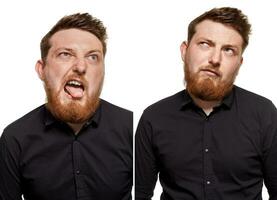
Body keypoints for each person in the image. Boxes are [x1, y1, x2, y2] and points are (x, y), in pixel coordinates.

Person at [135, 7, 277, 200]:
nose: (215, 59)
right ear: (184, 51)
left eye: (228, 50)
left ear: (239, 63)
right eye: (205, 44)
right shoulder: (154, 118)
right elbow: (140, 194)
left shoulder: (264, 114)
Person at [0, 13, 132, 200]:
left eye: (93, 57)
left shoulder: (132, 127)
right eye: (65, 54)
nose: (80, 66)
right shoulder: (15, 138)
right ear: (42, 69)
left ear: (103, 72)